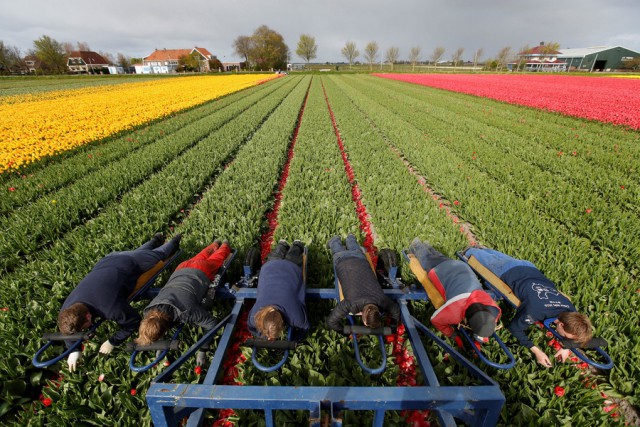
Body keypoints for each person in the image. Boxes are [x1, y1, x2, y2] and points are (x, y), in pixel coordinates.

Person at [57, 233, 181, 372]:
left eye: (84, 327)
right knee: (137, 253)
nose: (85, 330)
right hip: (108, 260)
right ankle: (156, 239)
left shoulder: (109, 307)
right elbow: (68, 327)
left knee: (159, 254)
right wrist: (73, 350)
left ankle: (176, 239)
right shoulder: (67, 310)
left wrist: (113, 341)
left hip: (129, 264)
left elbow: (133, 321)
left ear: (88, 316)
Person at [463, 246, 593, 368]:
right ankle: (472, 250)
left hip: (530, 268)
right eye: (566, 336)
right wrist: (537, 351)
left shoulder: (570, 309)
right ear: (561, 325)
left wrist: (566, 348)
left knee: (500, 257)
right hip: (508, 270)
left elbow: (574, 334)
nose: (564, 338)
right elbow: (514, 328)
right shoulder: (536, 310)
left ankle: (486, 250)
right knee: (472, 254)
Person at [136, 239, 232, 366]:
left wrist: (203, 349)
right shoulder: (148, 310)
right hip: (180, 269)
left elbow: (211, 323)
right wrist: (161, 345)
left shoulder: (185, 312)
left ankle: (225, 244)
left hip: (199, 272)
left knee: (216, 260)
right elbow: (155, 322)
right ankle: (215, 243)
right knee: (201, 256)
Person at [408, 238, 501, 346]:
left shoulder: (494, 309)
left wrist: (479, 341)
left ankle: (429, 247)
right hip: (442, 270)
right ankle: (416, 244)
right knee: (426, 260)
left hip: (461, 268)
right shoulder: (454, 311)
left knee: (438, 257)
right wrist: (453, 335)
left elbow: (486, 323)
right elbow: (435, 320)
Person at [326, 234, 400, 333]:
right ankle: (335, 240)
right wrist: (344, 331)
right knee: (335, 246)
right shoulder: (351, 305)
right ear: (364, 321)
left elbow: (395, 310)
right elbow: (331, 321)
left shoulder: (382, 300)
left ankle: (350, 237)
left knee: (354, 247)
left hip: (360, 258)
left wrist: (394, 325)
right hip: (342, 261)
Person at [248, 240, 309, 341]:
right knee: (277, 256)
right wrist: (265, 335)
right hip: (269, 269)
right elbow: (251, 327)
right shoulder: (255, 316)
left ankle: (292, 245)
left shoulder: (295, 317)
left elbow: (305, 327)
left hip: (289, 270)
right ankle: (286, 244)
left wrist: (294, 339)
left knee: (291, 256)